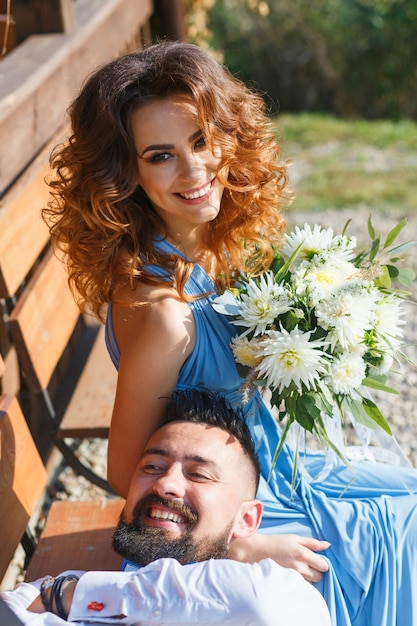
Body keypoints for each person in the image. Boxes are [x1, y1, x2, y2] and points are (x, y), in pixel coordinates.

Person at [42, 40, 417, 626]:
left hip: (276, 467)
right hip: (226, 506)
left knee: (407, 494)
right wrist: (233, 546)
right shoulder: (165, 313)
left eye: (201, 140)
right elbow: (125, 471)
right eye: (161, 155)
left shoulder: (219, 247)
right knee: (397, 535)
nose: (194, 171)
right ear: (126, 172)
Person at [0, 390, 331, 626]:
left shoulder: (280, 592)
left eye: (198, 474)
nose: (165, 484)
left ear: (245, 520)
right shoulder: (51, 591)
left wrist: (80, 594)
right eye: (153, 467)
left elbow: (262, 603)